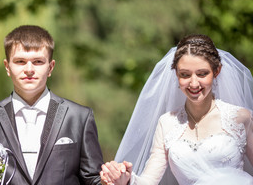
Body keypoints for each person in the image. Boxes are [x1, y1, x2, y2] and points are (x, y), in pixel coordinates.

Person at [100, 34, 253, 185]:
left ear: (216, 71)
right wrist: (127, 179)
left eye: (202, 74)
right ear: (176, 74)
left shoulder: (241, 118)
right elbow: (148, 180)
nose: (194, 83)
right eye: (185, 75)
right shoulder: (167, 123)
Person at [0, 25, 103, 185]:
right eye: (20, 61)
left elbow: (94, 180)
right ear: (7, 67)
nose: (29, 69)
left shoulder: (79, 117)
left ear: (50, 67)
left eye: (38, 62)